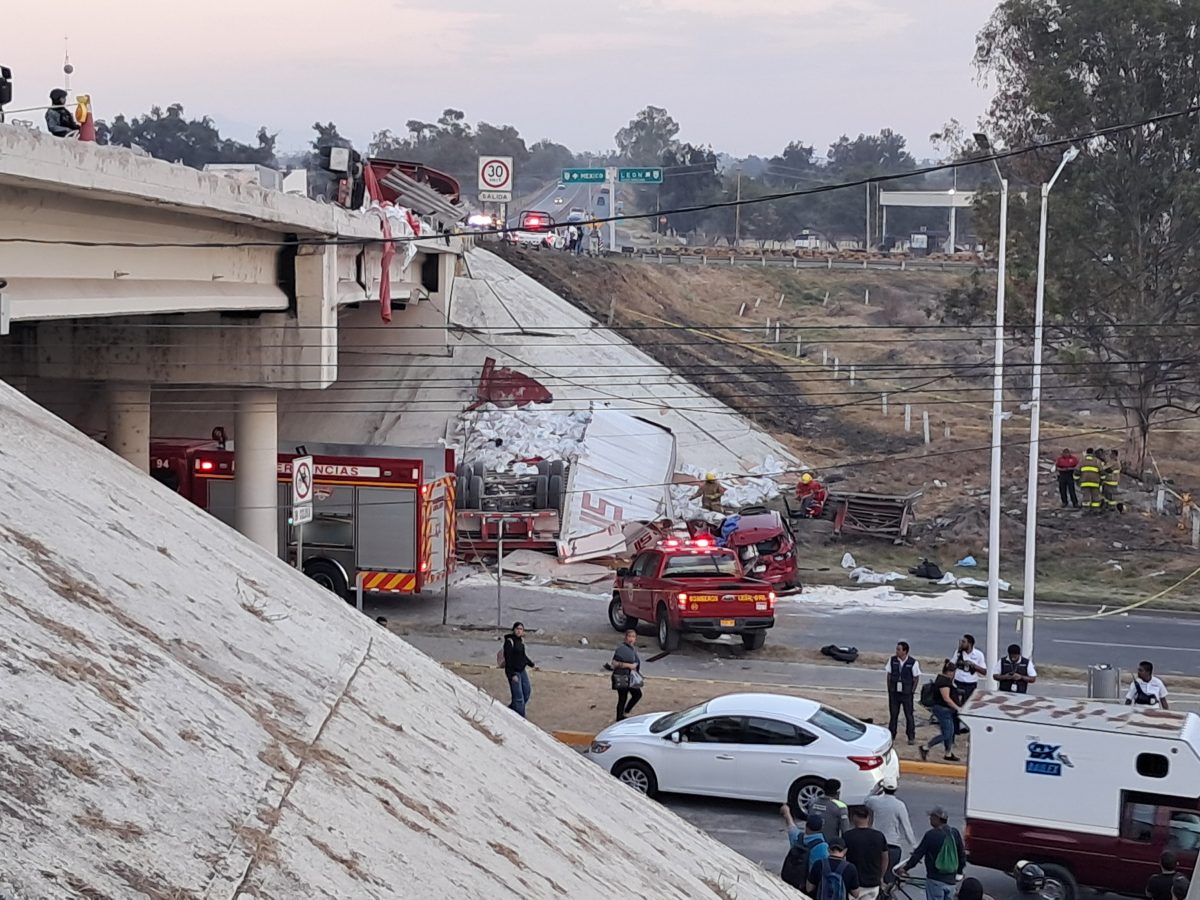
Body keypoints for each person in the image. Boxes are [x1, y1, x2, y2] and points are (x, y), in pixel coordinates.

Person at [897, 806, 966, 900]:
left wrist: (905, 868)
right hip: (951, 881)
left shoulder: (931, 835)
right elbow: (961, 855)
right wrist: (959, 872)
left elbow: (918, 854)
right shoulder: (954, 833)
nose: (929, 819)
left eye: (931, 817)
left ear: (937, 819)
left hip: (935, 879)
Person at [865, 775, 918, 877]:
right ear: (896, 789)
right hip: (892, 845)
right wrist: (914, 846)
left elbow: (866, 800)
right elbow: (907, 828)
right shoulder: (899, 805)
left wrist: (876, 787)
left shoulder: (875, 801)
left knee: (874, 875)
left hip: (876, 844)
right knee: (889, 877)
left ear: (883, 788)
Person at [919, 660, 963, 762]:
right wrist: (958, 708)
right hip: (943, 710)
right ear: (950, 672)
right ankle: (926, 747)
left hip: (945, 710)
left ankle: (948, 753)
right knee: (947, 733)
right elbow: (946, 698)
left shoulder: (942, 679)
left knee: (950, 732)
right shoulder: (944, 682)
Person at [844, 806, 889, 900]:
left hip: (853, 883)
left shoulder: (848, 836)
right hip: (872, 883)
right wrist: (881, 876)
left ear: (854, 818)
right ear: (868, 818)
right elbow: (885, 858)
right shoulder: (879, 836)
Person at [780, 809, 830, 889]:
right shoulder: (823, 847)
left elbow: (791, 825)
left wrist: (787, 812)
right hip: (808, 886)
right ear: (821, 828)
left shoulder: (797, 837)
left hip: (791, 882)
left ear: (806, 825)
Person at [885, 641, 922, 744]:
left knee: (909, 715)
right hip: (894, 692)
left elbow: (916, 678)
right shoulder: (892, 660)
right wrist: (890, 689)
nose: (896, 651)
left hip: (906, 693)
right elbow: (889, 674)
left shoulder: (913, 662)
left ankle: (911, 736)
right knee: (893, 715)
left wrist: (911, 691)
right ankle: (892, 735)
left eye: (899, 649)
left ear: (905, 651)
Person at [502, 621, 538, 718]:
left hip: (522, 671)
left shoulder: (520, 641)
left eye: (521, 629)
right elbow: (508, 659)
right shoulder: (509, 642)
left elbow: (523, 656)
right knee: (518, 698)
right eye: (517, 629)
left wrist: (531, 664)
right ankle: (520, 718)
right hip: (514, 672)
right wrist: (512, 674)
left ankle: (510, 710)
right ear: (513, 630)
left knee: (527, 692)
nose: (519, 631)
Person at [951, 634, 986, 732]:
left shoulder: (978, 654)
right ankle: (956, 727)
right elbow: (951, 665)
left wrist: (973, 666)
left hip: (970, 684)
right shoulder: (958, 653)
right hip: (958, 682)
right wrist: (959, 662)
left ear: (969, 644)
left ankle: (966, 726)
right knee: (956, 704)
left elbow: (984, 671)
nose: (961, 643)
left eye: (964, 642)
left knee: (968, 705)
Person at [611, 628, 643, 721]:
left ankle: (625, 711)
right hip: (622, 677)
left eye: (633, 637)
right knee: (623, 698)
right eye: (629, 636)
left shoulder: (632, 650)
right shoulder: (621, 649)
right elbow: (614, 663)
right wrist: (629, 665)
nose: (631, 639)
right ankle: (620, 717)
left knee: (637, 694)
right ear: (625, 638)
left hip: (630, 678)